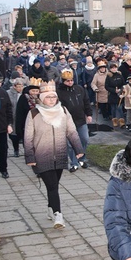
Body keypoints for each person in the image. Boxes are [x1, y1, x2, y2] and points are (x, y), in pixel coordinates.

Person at [24, 81, 85, 228]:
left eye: (53, 97)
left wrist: (79, 150)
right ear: (42, 98)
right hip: (42, 155)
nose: (51, 100)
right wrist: (30, 157)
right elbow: (28, 137)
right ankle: (58, 215)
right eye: (48, 97)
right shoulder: (34, 113)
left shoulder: (63, 111)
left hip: (60, 154)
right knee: (52, 186)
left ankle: (50, 209)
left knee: (54, 185)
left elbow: (71, 131)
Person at [57, 69, 93, 172]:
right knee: (70, 143)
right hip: (67, 122)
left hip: (81, 119)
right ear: (63, 81)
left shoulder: (79, 89)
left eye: (71, 80)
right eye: (67, 81)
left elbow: (86, 101)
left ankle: (81, 158)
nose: (70, 82)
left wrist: (89, 114)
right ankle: (74, 162)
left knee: (84, 139)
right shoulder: (59, 92)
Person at [7, 78, 26, 155]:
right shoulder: (8, 93)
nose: (20, 88)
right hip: (13, 116)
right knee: (13, 135)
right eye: (18, 86)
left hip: (22, 116)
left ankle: (26, 151)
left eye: (21, 86)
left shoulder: (25, 93)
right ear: (14, 86)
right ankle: (16, 149)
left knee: (24, 134)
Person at [105, 62, 126, 128]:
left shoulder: (120, 75)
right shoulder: (108, 76)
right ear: (110, 69)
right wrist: (114, 90)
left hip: (119, 94)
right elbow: (106, 86)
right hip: (112, 95)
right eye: (112, 68)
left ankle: (122, 121)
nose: (114, 69)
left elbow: (123, 83)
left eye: (115, 68)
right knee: (113, 108)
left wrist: (121, 89)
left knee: (120, 108)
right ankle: (114, 120)